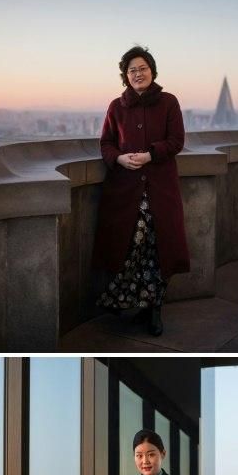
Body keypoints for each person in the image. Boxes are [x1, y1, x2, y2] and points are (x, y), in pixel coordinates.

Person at [93, 46, 190, 336]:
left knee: (158, 248)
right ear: (125, 76)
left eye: (143, 68)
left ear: (152, 70)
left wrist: (150, 154)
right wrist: (119, 158)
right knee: (131, 246)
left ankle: (154, 309)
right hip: (125, 191)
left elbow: (177, 141)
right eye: (132, 70)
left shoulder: (169, 102)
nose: (138, 73)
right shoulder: (116, 106)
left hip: (160, 188)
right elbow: (106, 143)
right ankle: (133, 302)